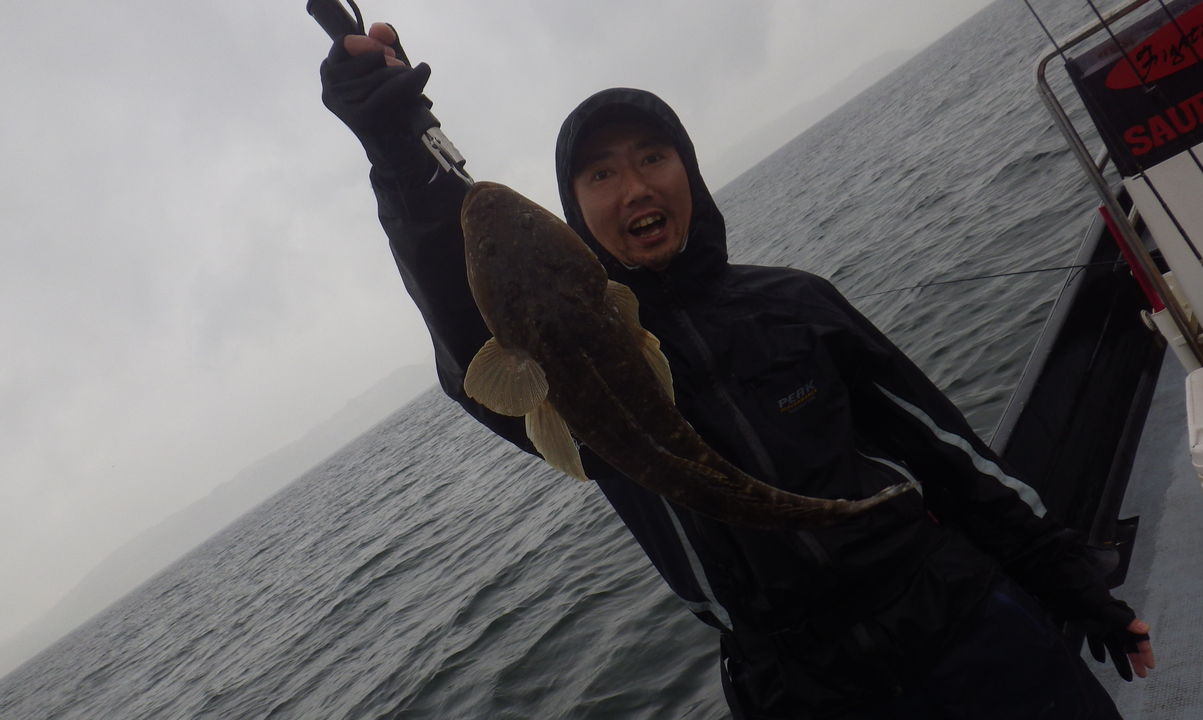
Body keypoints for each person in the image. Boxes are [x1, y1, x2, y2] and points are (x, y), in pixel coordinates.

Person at [320, 22, 1155, 719]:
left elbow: (950, 456)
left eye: (653, 156)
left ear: (688, 171)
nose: (633, 186)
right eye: (600, 173)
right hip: (799, 690)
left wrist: (1073, 584)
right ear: (574, 215)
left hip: (960, 623)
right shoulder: (557, 376)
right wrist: (398, 149)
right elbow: (459, 316)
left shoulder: (794, 302)